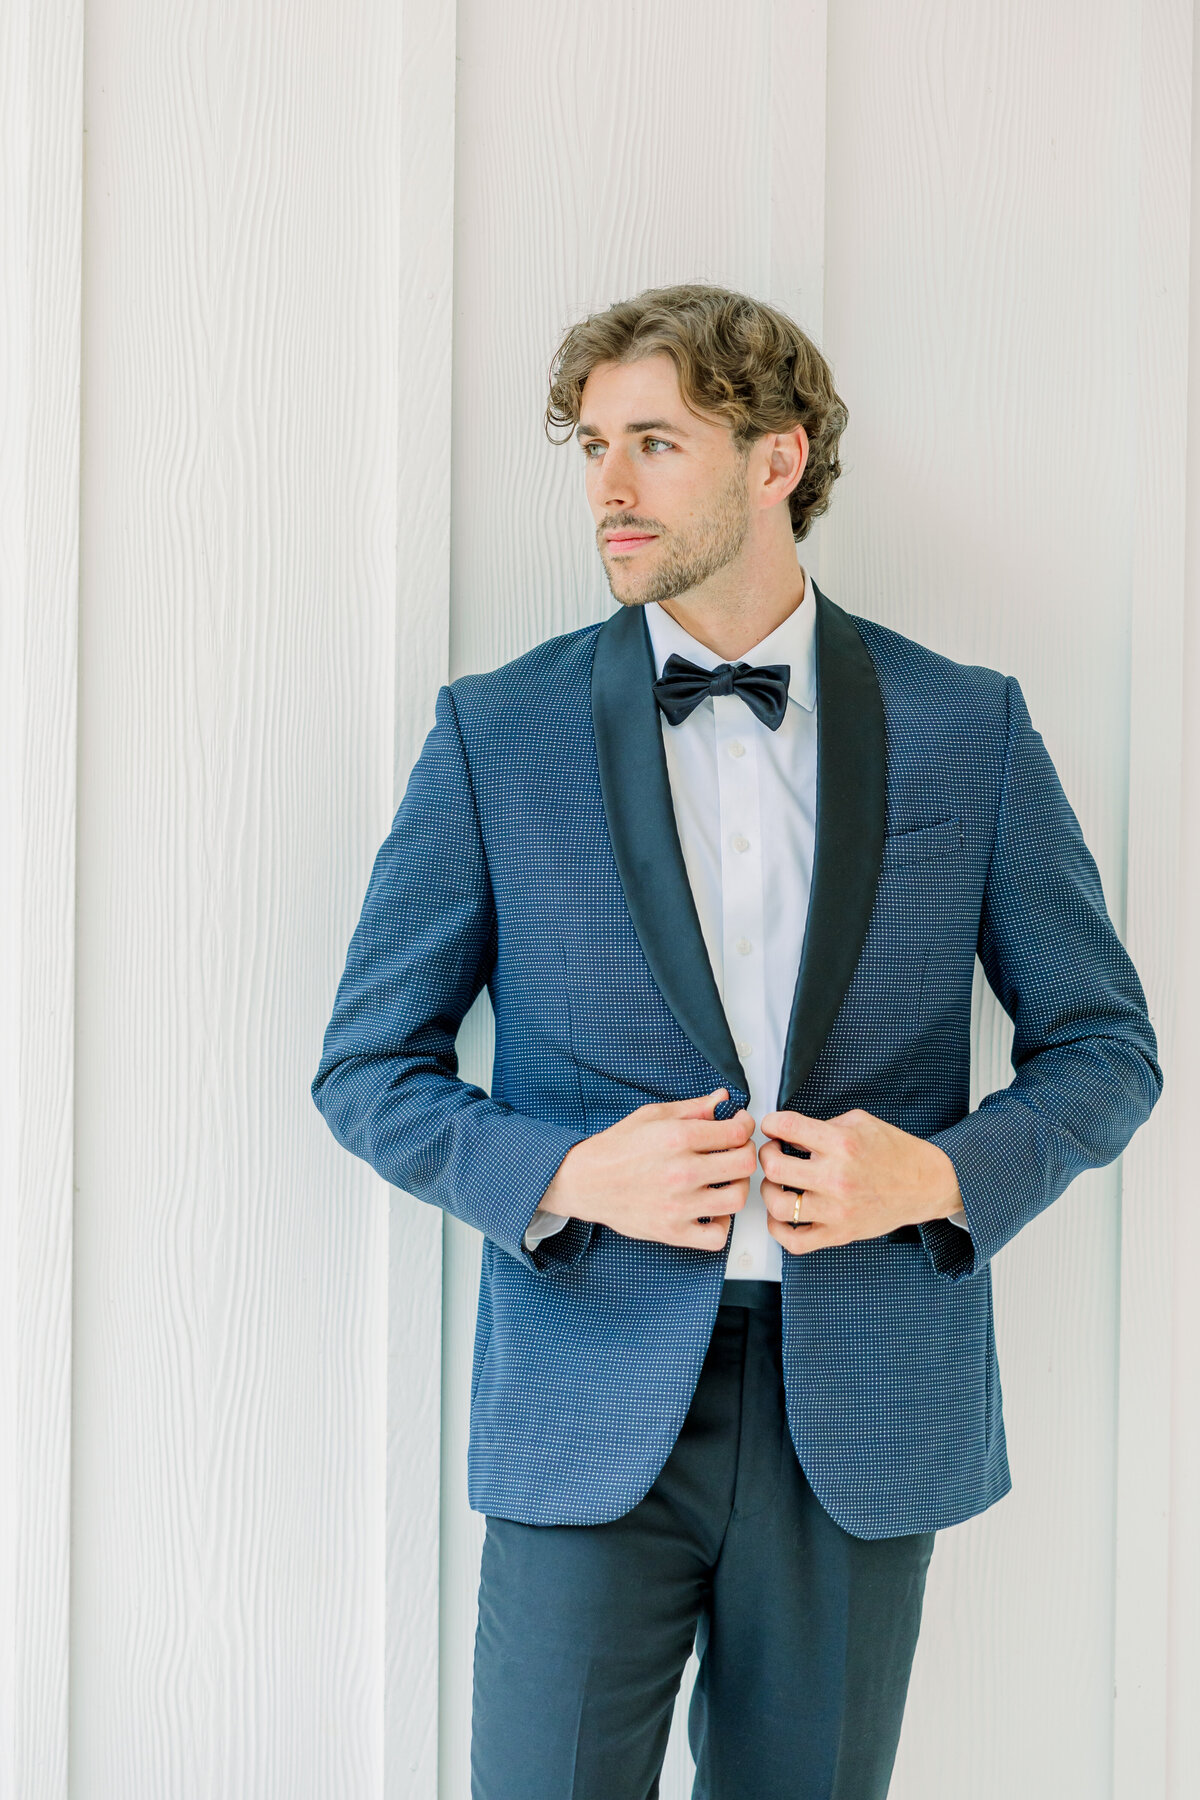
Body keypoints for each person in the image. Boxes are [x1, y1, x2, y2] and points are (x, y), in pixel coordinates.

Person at [311, 283, 1162, 1799]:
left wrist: (942, 1179)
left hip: (863, 1407)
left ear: (781, 457)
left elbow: (1105, 1047)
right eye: (589, 446)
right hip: (589, 1397)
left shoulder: (967, 726)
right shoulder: (495, 734)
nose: (608, 489)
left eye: (656, 442)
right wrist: (568, 1173)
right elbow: (369, 1069)